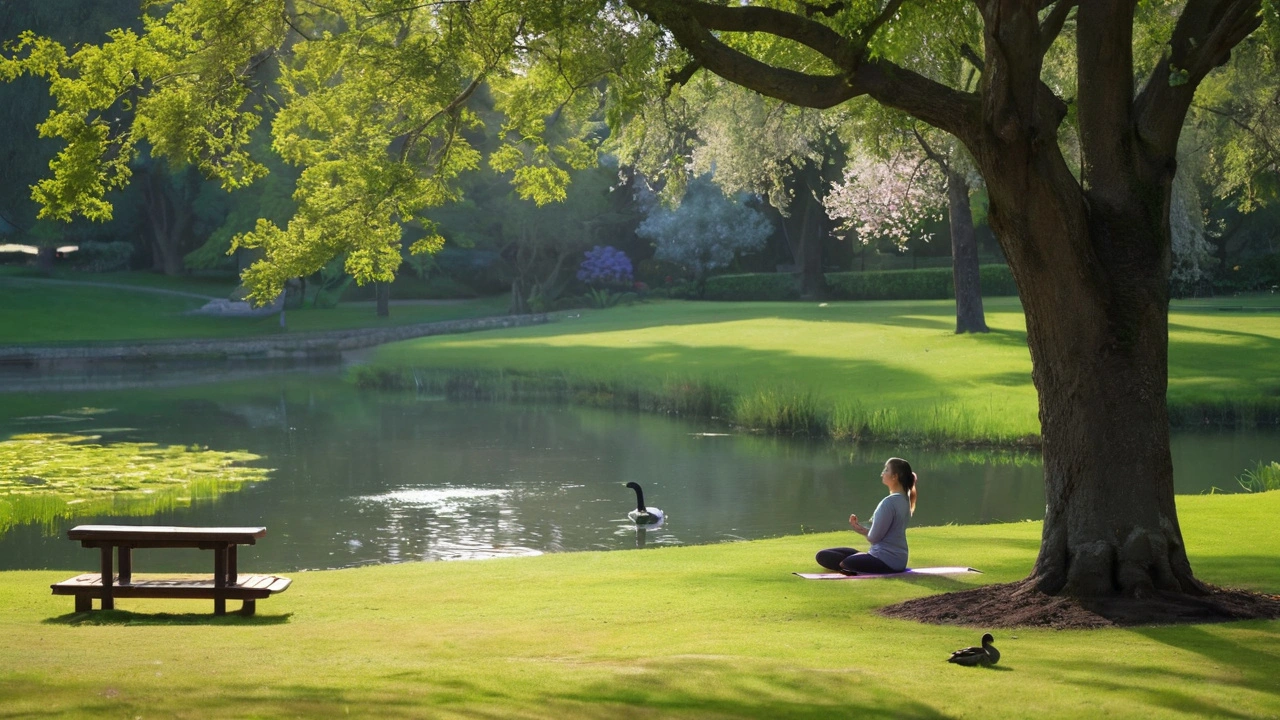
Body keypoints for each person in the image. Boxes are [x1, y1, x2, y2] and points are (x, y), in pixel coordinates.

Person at [815, 457, 918, 574]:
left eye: (886, 470)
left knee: (844, 563)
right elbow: (883, 532)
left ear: (895, 476)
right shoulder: (905, 501)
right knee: (825, 554)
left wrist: (862, 531)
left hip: (886, 560)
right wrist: (861, 529)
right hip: (898, 559)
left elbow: (874, 537)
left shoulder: (889, 503)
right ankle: (859, 560)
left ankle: (852, 566)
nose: (882, 473)